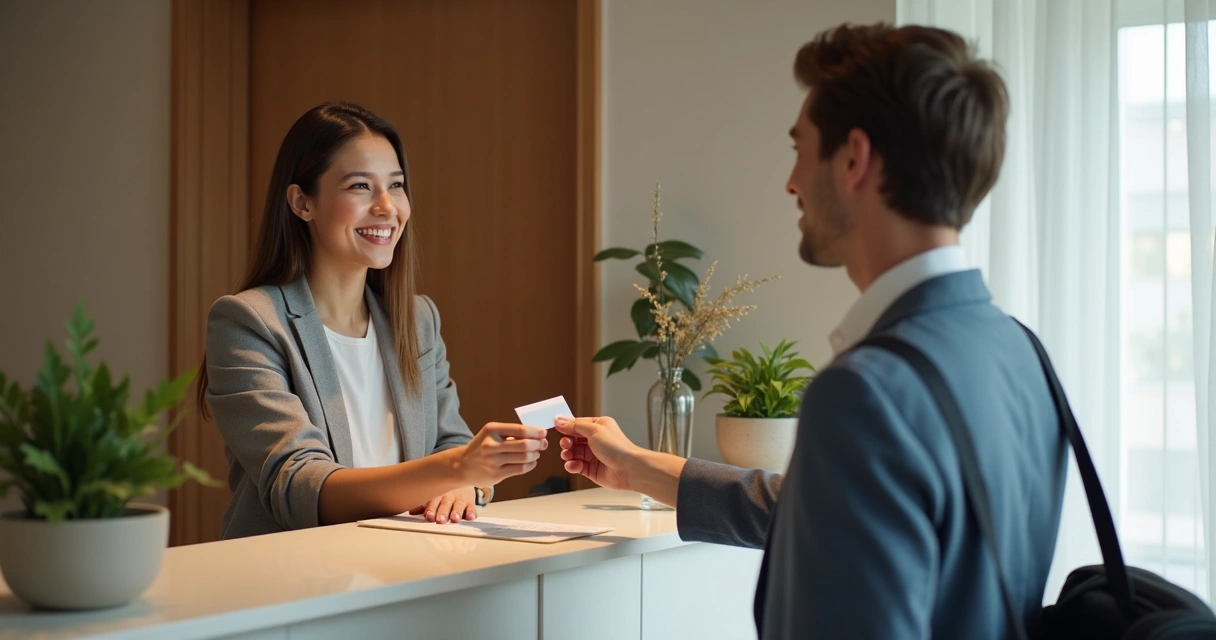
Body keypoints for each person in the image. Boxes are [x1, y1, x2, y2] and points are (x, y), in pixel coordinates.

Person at [556, 24, 1068, 639]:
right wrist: (639, 466)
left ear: (854, 159)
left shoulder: (869, 389)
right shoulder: (1020, 351)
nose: (791, 182)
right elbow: (829, 513)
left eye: (800, 148)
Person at [200, 102, 548, 540]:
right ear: (302, 202)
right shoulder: (248, 322)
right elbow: (300, 488)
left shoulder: (417, 319)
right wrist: (455, 469)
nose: (387, 207)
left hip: (403, 573)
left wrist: (465, 483)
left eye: (396, 186)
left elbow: (451, 443)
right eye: (360, 186)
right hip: (294, 585)